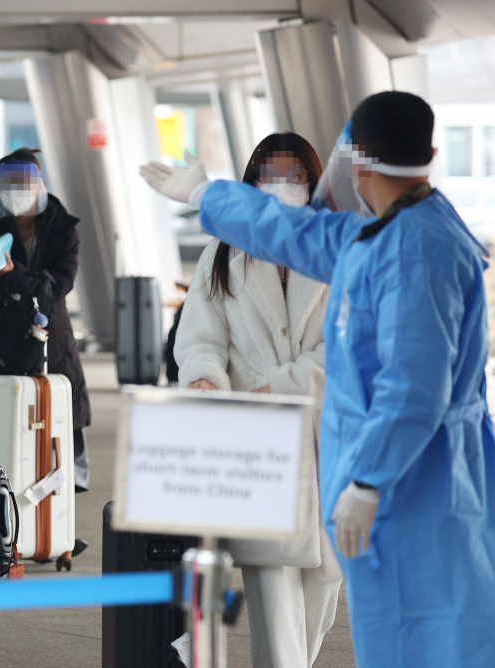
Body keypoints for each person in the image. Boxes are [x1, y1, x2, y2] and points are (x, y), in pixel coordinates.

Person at [141, 91, 495, 668]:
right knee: (391, 631)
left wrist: (370, 481)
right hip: (380, 475)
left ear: (354, 161)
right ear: (431, 155)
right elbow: (293, 234)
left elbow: (414, 391)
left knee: (430, 635)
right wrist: (209, 196)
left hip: (417, 482)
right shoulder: (379, 236)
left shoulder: (413, 251)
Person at [175, 132, 343, 668]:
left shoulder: (338, 252)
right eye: (269, 176)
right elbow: (200, 337)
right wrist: (204, 378)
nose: (282, 187)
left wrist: (285, 386)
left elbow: (350, 349)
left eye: (295, 176)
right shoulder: (224, 252)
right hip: (257, 445)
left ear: (313, 183)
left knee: (320, 598)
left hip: (327, 441)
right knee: (273, 601)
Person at [0, 148, 92, 496]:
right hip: (3, 321)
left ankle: (68, 476)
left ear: (39, 183)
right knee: (4, 392)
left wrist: (16, 274)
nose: (16, 190)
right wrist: (14, 278)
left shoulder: (63, 226)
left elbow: (61, 282)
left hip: (51, 324)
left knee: (61, 390)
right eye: (8, 182)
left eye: (23, 181)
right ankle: (4, 471)